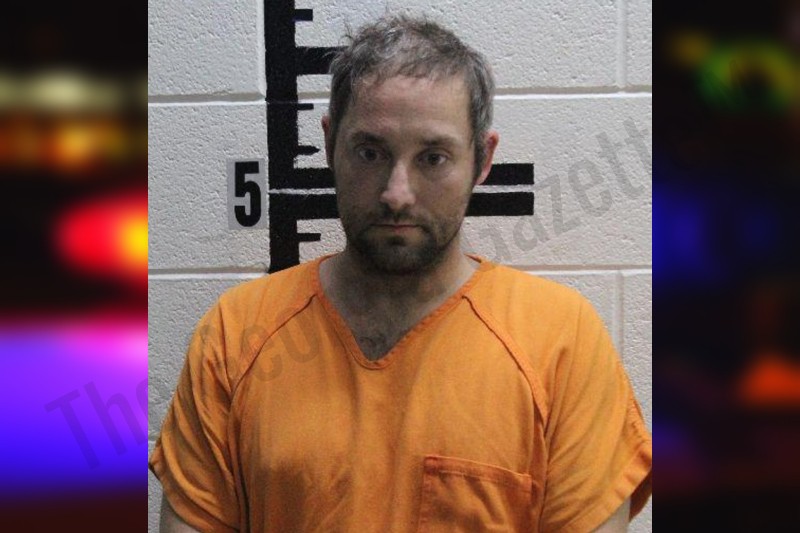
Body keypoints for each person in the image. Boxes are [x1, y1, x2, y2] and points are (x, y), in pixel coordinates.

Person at [150, 14, 652, 533]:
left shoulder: (560, 341)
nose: (397, 193)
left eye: (433, 158)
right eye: (370, 153)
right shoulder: (236, 333)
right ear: (330, 144)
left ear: (482, 159)